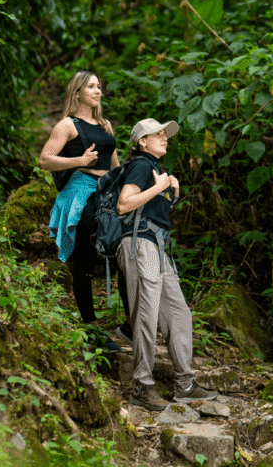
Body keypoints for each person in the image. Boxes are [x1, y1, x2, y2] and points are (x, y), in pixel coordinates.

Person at [116, 118, 218, 411]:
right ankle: (142, 386)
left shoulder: (154, 168)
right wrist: (159, 185)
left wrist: (171, 193)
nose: (164, 138)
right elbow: (124, 204)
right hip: (140, 245)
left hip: (156, 246)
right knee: (146, 315)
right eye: (157, 134)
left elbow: (150, 210)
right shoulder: (140, 165)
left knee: (178, 312)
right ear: (142, 142)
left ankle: (185, 384)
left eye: (165, 134)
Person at [38, 70, 132, 351]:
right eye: (91, 86)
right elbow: (45, 160)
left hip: (108, 192)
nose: (97, 91)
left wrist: (126, 190)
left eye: (99, 86)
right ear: (77, 92)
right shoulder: (67, 125)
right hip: (81, 193)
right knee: (85, 260)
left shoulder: (105, 124)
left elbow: (114, 164)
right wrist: (79, 160)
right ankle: (91, 328)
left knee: (126, 252)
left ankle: (131, 324)